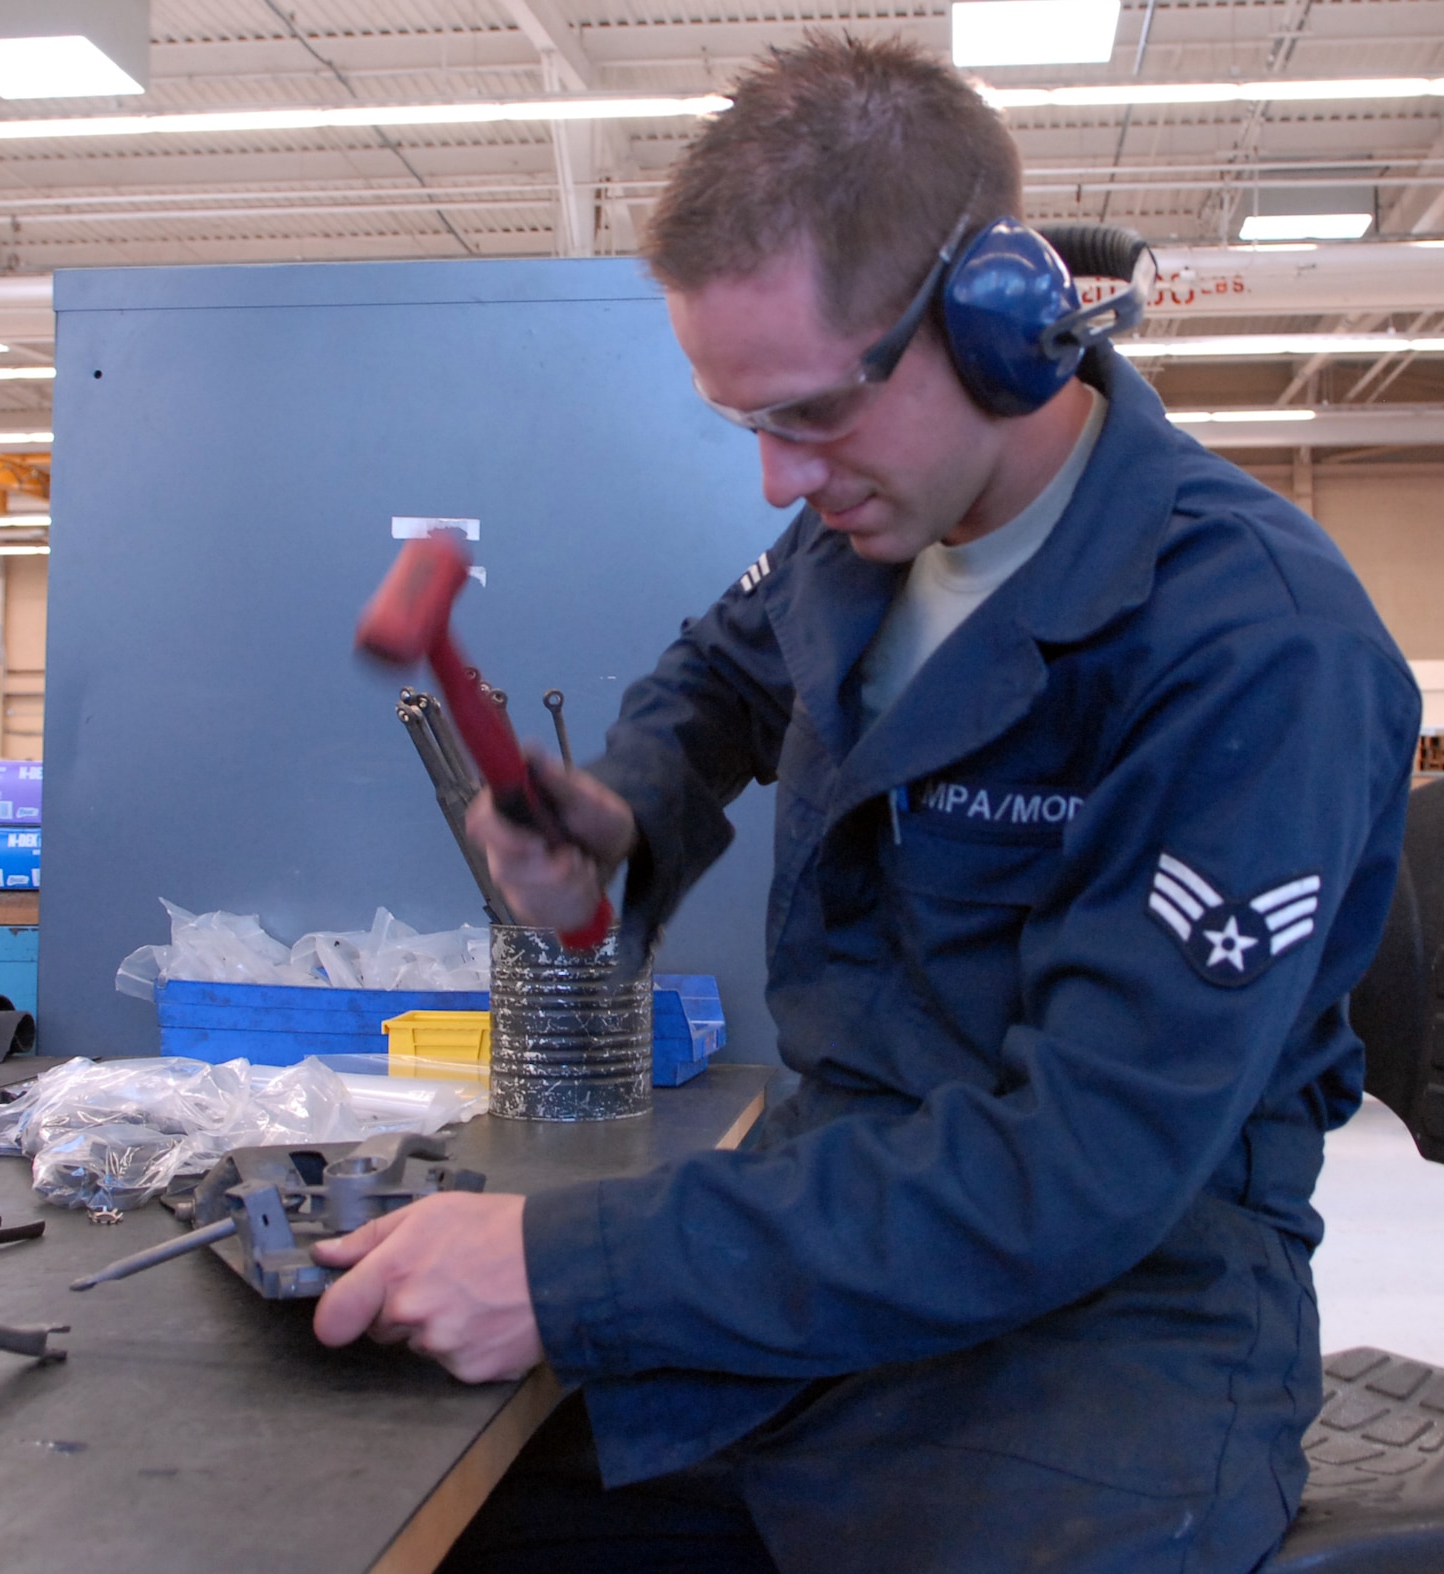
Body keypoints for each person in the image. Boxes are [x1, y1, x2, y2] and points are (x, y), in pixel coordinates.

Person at [312, 33, 1421, 1573]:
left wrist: (576, 1272)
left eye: (813, 415)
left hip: (1111, 1334)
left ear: (1000, 330)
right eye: (745, 424)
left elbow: (1074, 1168)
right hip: (836, 1244)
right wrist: (623, 809)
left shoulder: (1250, 644)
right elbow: (720, 675)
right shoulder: (866, 537)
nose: (775, 478)